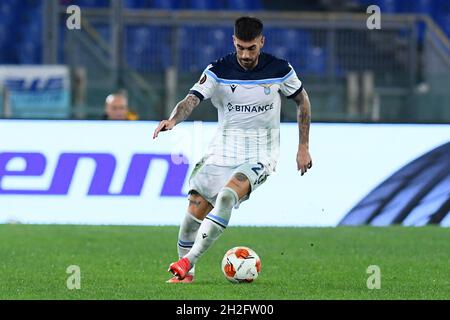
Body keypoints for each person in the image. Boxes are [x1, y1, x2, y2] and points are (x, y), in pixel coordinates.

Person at [153, 16, 313, 283]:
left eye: (251, 48)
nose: (246, 54)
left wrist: (303, 147)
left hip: (261, 154)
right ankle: (187, 275)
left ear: (262, 42)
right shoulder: (218, 70)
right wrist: (173, 119)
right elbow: (192, 99)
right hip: (222, 152)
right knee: (194, 211)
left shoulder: (280, 69)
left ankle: (186, 262)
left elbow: (302, 100)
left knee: (228, 196)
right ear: (233, 42)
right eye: (240, 47)